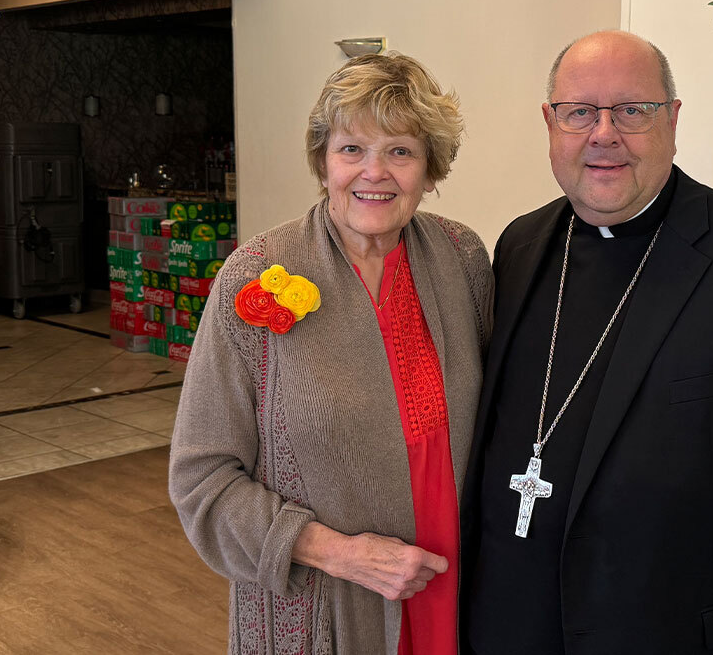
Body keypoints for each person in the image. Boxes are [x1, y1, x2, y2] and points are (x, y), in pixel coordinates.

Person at [460, 31, 713, 654]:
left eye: (632, 110)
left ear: (673, 118)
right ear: (550, 123)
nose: (603, 134)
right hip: (514, 630)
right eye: (580, 112)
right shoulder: (519, 246)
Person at [170, 53, 492, 655]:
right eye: (351, 150)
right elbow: (201, 480)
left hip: (454, 587)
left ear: (431, 168)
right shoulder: (256, 275)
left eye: (400, 151)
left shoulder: (462, 259)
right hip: (327, 606)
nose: (375, 172)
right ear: (323, 161)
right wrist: (341, 554)